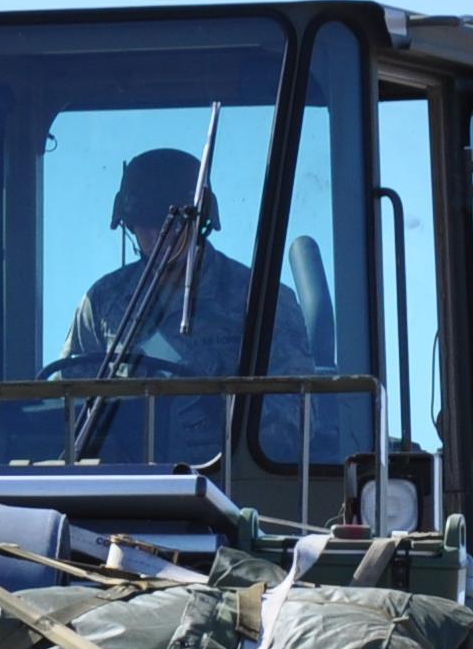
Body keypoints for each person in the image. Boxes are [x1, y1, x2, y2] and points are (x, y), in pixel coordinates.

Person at [58, 147, 313, 460]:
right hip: (122, 494)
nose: (158, 235)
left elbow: (294, 418)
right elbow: (67, 407)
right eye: (144, 223)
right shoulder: (102, 304)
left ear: (201, 221)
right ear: (128, 225)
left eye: (173, 224)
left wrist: (222, 422)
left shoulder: (262, 302)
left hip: (233, 490)